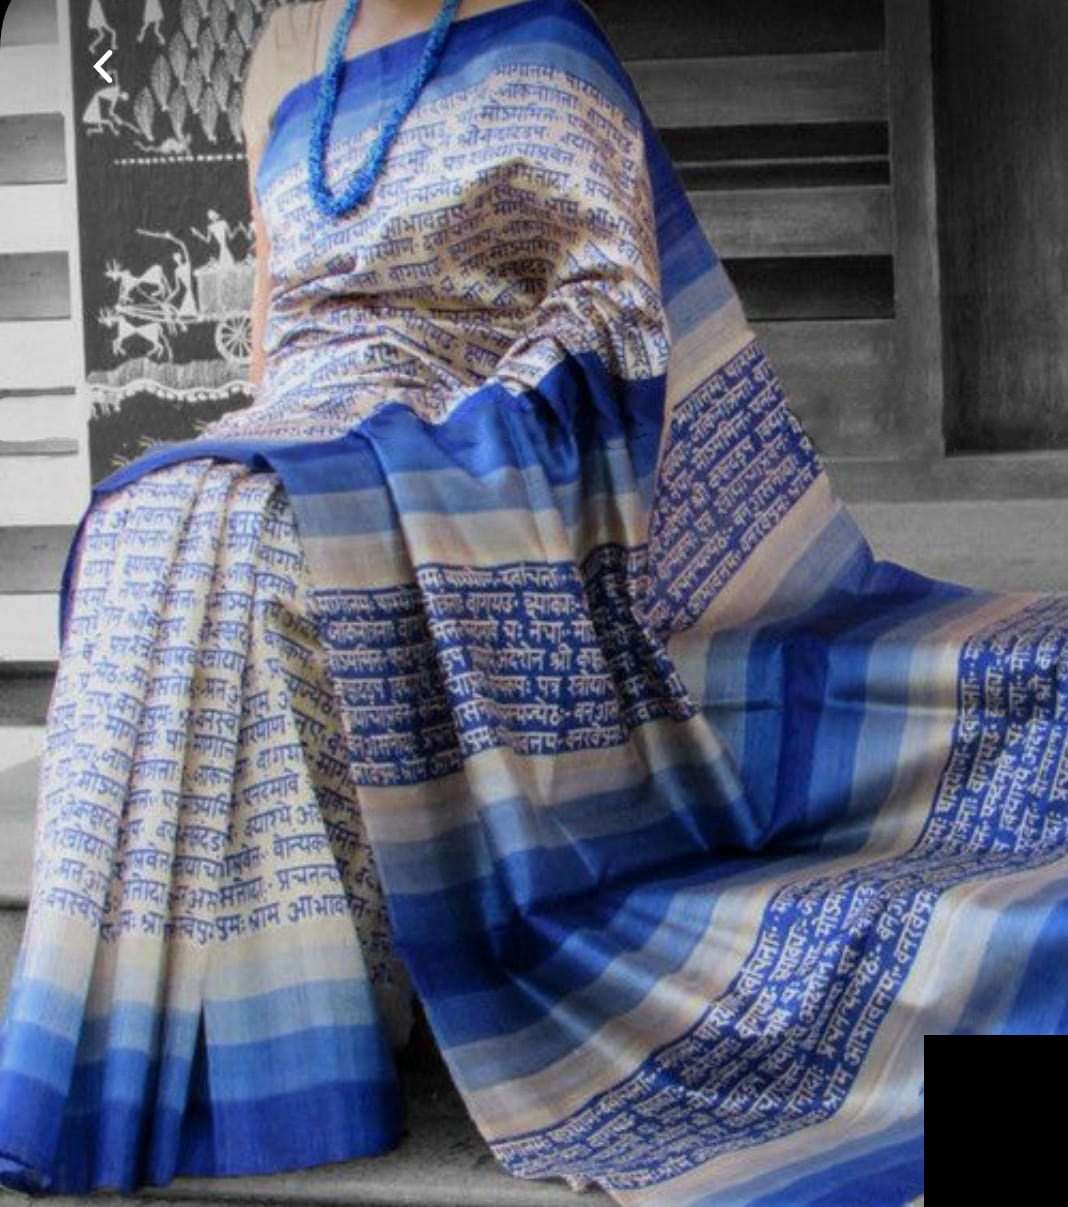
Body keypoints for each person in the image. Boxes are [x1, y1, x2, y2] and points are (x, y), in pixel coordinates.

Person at [1, 0, 1065, 1202]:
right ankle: (239, 1049)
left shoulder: (543, 36)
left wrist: (455, 441)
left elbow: (611, 311)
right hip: (311, 422)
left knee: (268, 530)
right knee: (157, 520)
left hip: (476, 427)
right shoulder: (282, 53)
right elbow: (276, 317)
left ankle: (301, 1049)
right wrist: (261, 441)